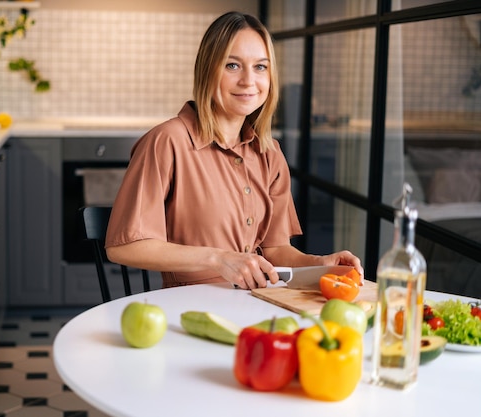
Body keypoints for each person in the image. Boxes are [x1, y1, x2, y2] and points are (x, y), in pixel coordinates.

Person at [105, 11, 362, 289]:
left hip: (255, 306)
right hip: (186, 312)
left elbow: (275, 251)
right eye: (232, 66)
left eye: (260, 67)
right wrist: (218, 259)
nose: (248, 81)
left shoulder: (270, 153)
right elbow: (124, 246)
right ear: (208, 69)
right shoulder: (167, 141)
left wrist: (319, 264)